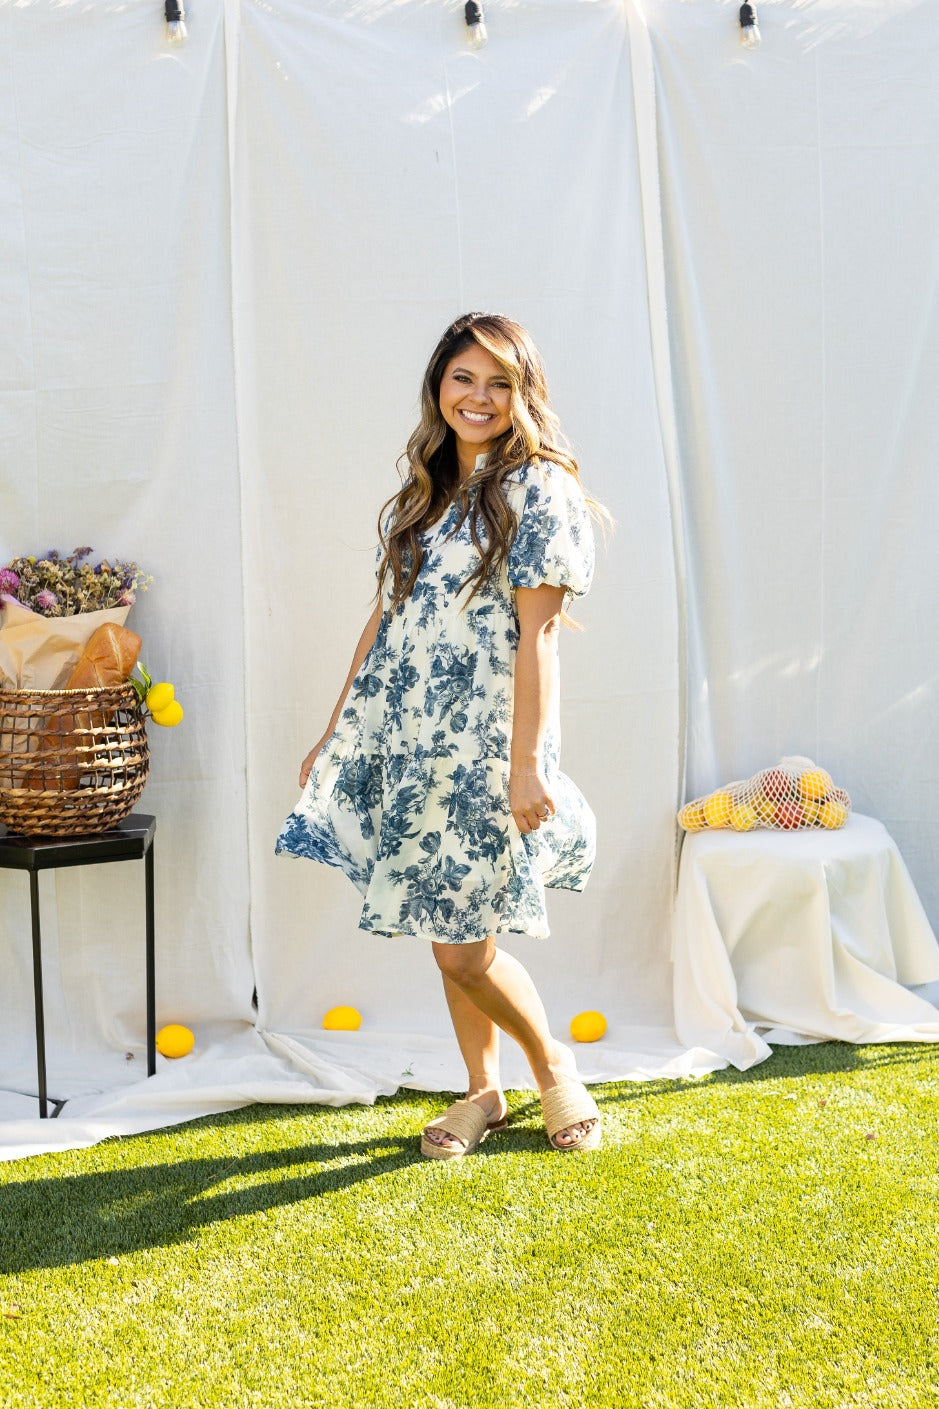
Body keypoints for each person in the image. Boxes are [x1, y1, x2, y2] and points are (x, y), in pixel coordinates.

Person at [276, 312, 608, 1159]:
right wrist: (334, 730)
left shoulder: (538, 487)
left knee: (465, 947)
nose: (479, 397)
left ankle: (551, 1065)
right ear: (438, 385)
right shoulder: (427, 493)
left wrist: (525, 764)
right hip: (407, 738)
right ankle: (481, 1091)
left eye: (500, 382)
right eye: (464, 378)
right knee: (449, 926)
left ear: (522, 393)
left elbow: (537, 634)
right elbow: (385, 622)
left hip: (483, 751)